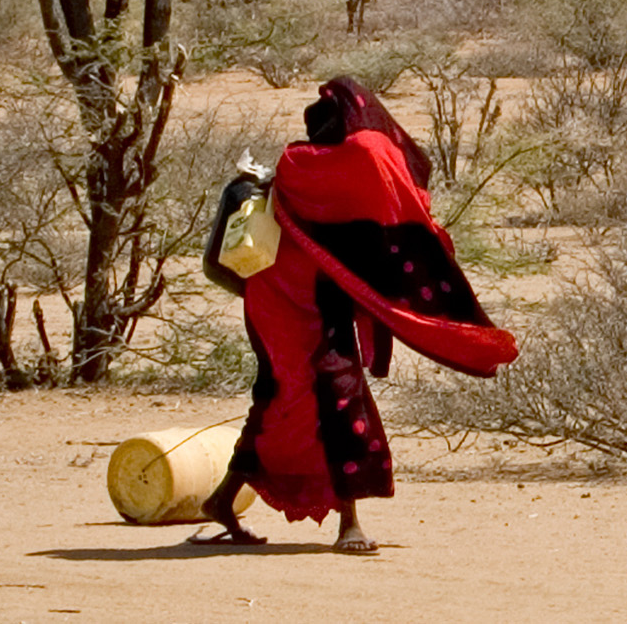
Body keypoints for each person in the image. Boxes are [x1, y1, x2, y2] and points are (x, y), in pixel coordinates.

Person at [199, 78, 518, 549]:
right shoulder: (338, 165)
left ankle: (223, 499)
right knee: (336, 397)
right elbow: (388, 179)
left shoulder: (291, 168)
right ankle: (349, 523)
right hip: (302, 305)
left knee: (279, 401)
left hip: (276, 306)